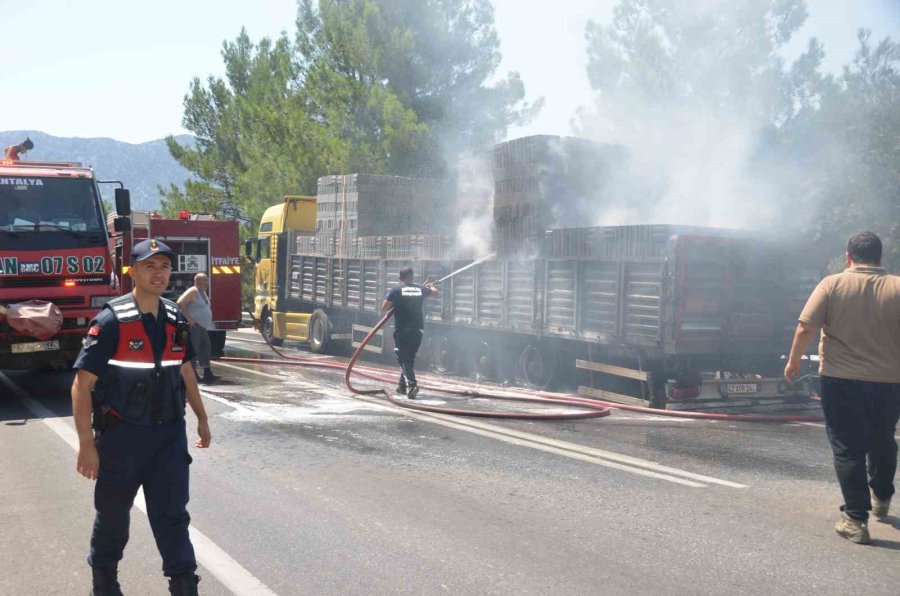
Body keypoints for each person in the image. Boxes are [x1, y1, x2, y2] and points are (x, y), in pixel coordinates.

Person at [71, 238, 212, 595]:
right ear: (132, 271)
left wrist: (202, 418)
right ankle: (104, 583)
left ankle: (184, 585)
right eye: (150, 266)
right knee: (113, 517)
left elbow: (185, 371)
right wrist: (86, 444)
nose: (159, 273)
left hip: (169, 438)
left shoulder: (175, 317)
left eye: (164, 266)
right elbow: (81, 385)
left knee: (173, 516)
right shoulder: (110, 321)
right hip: (123, 439)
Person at [785, 231, 900, 545]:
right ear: (880, 257)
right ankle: (882, 494)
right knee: (883, 439)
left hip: (841, 381)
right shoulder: (897, 286)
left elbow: (806, 327)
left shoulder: (832, 284)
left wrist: (794, 361)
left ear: (848, 257)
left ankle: (855, 519)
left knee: (848, 447)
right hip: (889, 382)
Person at [381, 267, 439, 400]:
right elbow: (435, 293)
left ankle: (412, 385)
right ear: (412, 277)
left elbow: (384, 307)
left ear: (399, 278)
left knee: (403, 357)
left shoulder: (396, 290)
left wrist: (396, 302)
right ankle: (402, 386)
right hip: (418, 329)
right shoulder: (420, 289)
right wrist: (431, 286)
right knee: (409, 357)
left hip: (403, 329)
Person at [177, 273, 219, 384]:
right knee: (193, 349)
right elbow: (180, 302)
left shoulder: (203, 292)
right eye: (204, 280)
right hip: (194, 326)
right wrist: (189, 319)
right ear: (197, 281)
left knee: (205, 347)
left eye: (207, 280)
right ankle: (192, 374)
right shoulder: (193, 291)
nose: (206, 283)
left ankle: (207, 372)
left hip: (202, 326)